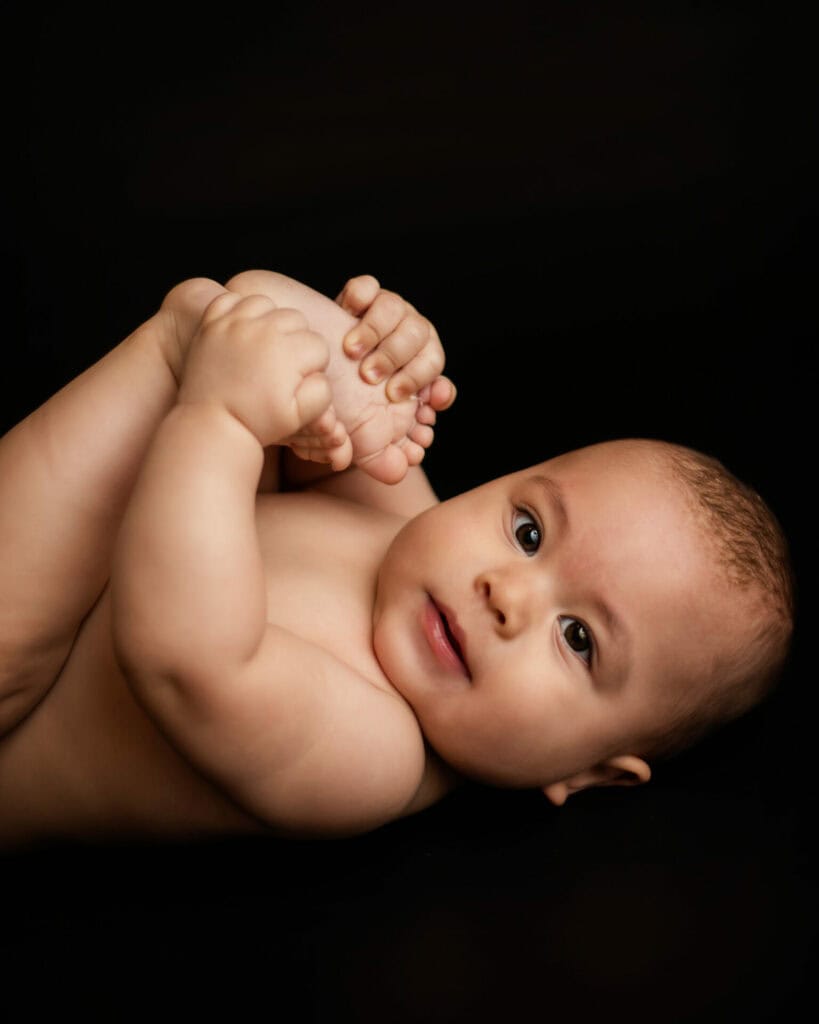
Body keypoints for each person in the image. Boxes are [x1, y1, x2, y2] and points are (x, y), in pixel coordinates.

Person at [0, 270, 794, 845]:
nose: (506, 594)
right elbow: (269, 321)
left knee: (200, 342)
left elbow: (184, 658)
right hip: (68, 591)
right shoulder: (400, 515)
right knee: (229, 313)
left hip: (14, 703)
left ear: (588, 773)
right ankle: (182, 338)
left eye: (577, 638)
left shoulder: (373, 759)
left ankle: (179, 343)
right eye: (527, 531)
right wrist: (368, 359)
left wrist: (220, 419)